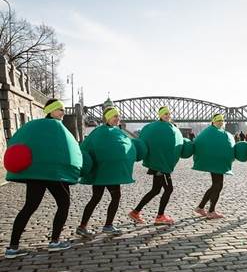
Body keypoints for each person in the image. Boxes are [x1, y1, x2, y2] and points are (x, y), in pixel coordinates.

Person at [3, 99, 83, 258]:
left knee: (29, 206)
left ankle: (12, 248)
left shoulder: (34, 126)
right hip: (54, 173)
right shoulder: (58, 128)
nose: (63, 112)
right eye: (59, 109)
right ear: (51, 110)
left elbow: (22, 140)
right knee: (64, 203)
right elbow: (66, 149)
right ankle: (54, 242)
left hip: (36, 173)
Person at [77, 107, 144, 237]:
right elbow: (85, 148)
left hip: (111, 172)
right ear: (107, 117)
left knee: (102, 197)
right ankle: (103, 226)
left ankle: (85, 226)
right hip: (102, 172)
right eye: (114, 116)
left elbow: (127, 146)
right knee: (103, 198)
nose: (117, 118)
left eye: (118, 116)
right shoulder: (98, 132)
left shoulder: (118, 132)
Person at [129, 106, 192, 225]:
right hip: (160, 166)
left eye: (168, 113)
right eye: (165, 114)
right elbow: (150, 142)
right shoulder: (157, 128)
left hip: (161, 165)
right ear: (160, 115)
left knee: (155, 190)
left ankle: (136, 212)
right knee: (168, 189)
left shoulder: (171, 127)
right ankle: (160, 216)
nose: (167, 115)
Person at [193, 113, 235, 219]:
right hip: (214, 163)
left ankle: (201, 207)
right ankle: (211, 211)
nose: (220, 122)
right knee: (217, 185)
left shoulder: (221, 132)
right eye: (217, 120)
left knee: (216, 185)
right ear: (213, 121)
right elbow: (198, 142)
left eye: (221, 120)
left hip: (219, 163)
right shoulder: (209, 131)